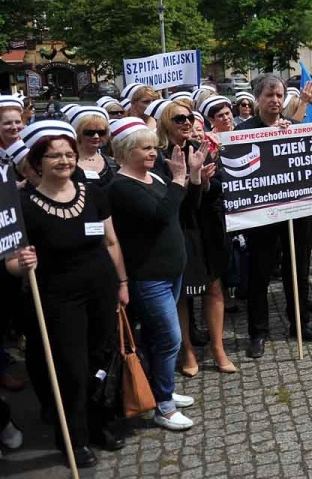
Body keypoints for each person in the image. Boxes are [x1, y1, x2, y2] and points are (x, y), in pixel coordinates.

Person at [6, 121, 128, 466]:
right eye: (54, 155)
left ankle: (100, 423)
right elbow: (12, 263)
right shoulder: (24, 205)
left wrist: (122, 284)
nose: (64, 160)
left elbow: (111, 240)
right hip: (59, 300)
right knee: (71, 370)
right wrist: (21, 262)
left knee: (101, 362)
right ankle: (73, 439)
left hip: (102, 290)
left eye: (69, 154)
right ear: (37, 161)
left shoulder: (92, 192)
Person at [107, 117, 202, 431]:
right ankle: (163, 405)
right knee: (169, 340)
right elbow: (161, 216)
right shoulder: (121, 187)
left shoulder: (154, 178)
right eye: (145, 148)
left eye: (153, 147)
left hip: (171, 271)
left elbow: (182, 208)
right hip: (149, 277)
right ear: (125, 151)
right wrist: (177, 179)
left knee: (155, 338)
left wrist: (193, 176)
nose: (153, 153)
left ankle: (160, 388)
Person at [236, 75, 312, 359]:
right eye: (269, 95)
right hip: (261, 216)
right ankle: (258, 332)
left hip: (295, 213)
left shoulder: (295, 128)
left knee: (297, 270)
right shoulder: (244, 131)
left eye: (279, 96)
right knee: (259, 273)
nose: (275, 101)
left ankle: (300, 323)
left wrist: (293, 135)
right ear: (257, 99)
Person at [153, 100, 237, 375]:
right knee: (182, 294)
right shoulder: (158, 156)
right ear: (166, 122)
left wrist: (207, 181)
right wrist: (190, 181)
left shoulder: (200, 150)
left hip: (205, 229)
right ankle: (187, 350)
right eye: (179, 119)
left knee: (214, 287)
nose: (187, 122)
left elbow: (217, 192)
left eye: (189, 117)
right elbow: (168, 200)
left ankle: (217, 347)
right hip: (179, 229)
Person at [65, 106, 118, 188]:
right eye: (89, 132)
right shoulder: (65, 163)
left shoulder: (112, 164)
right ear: (77, 132)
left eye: (101, 132)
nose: (96, 136)